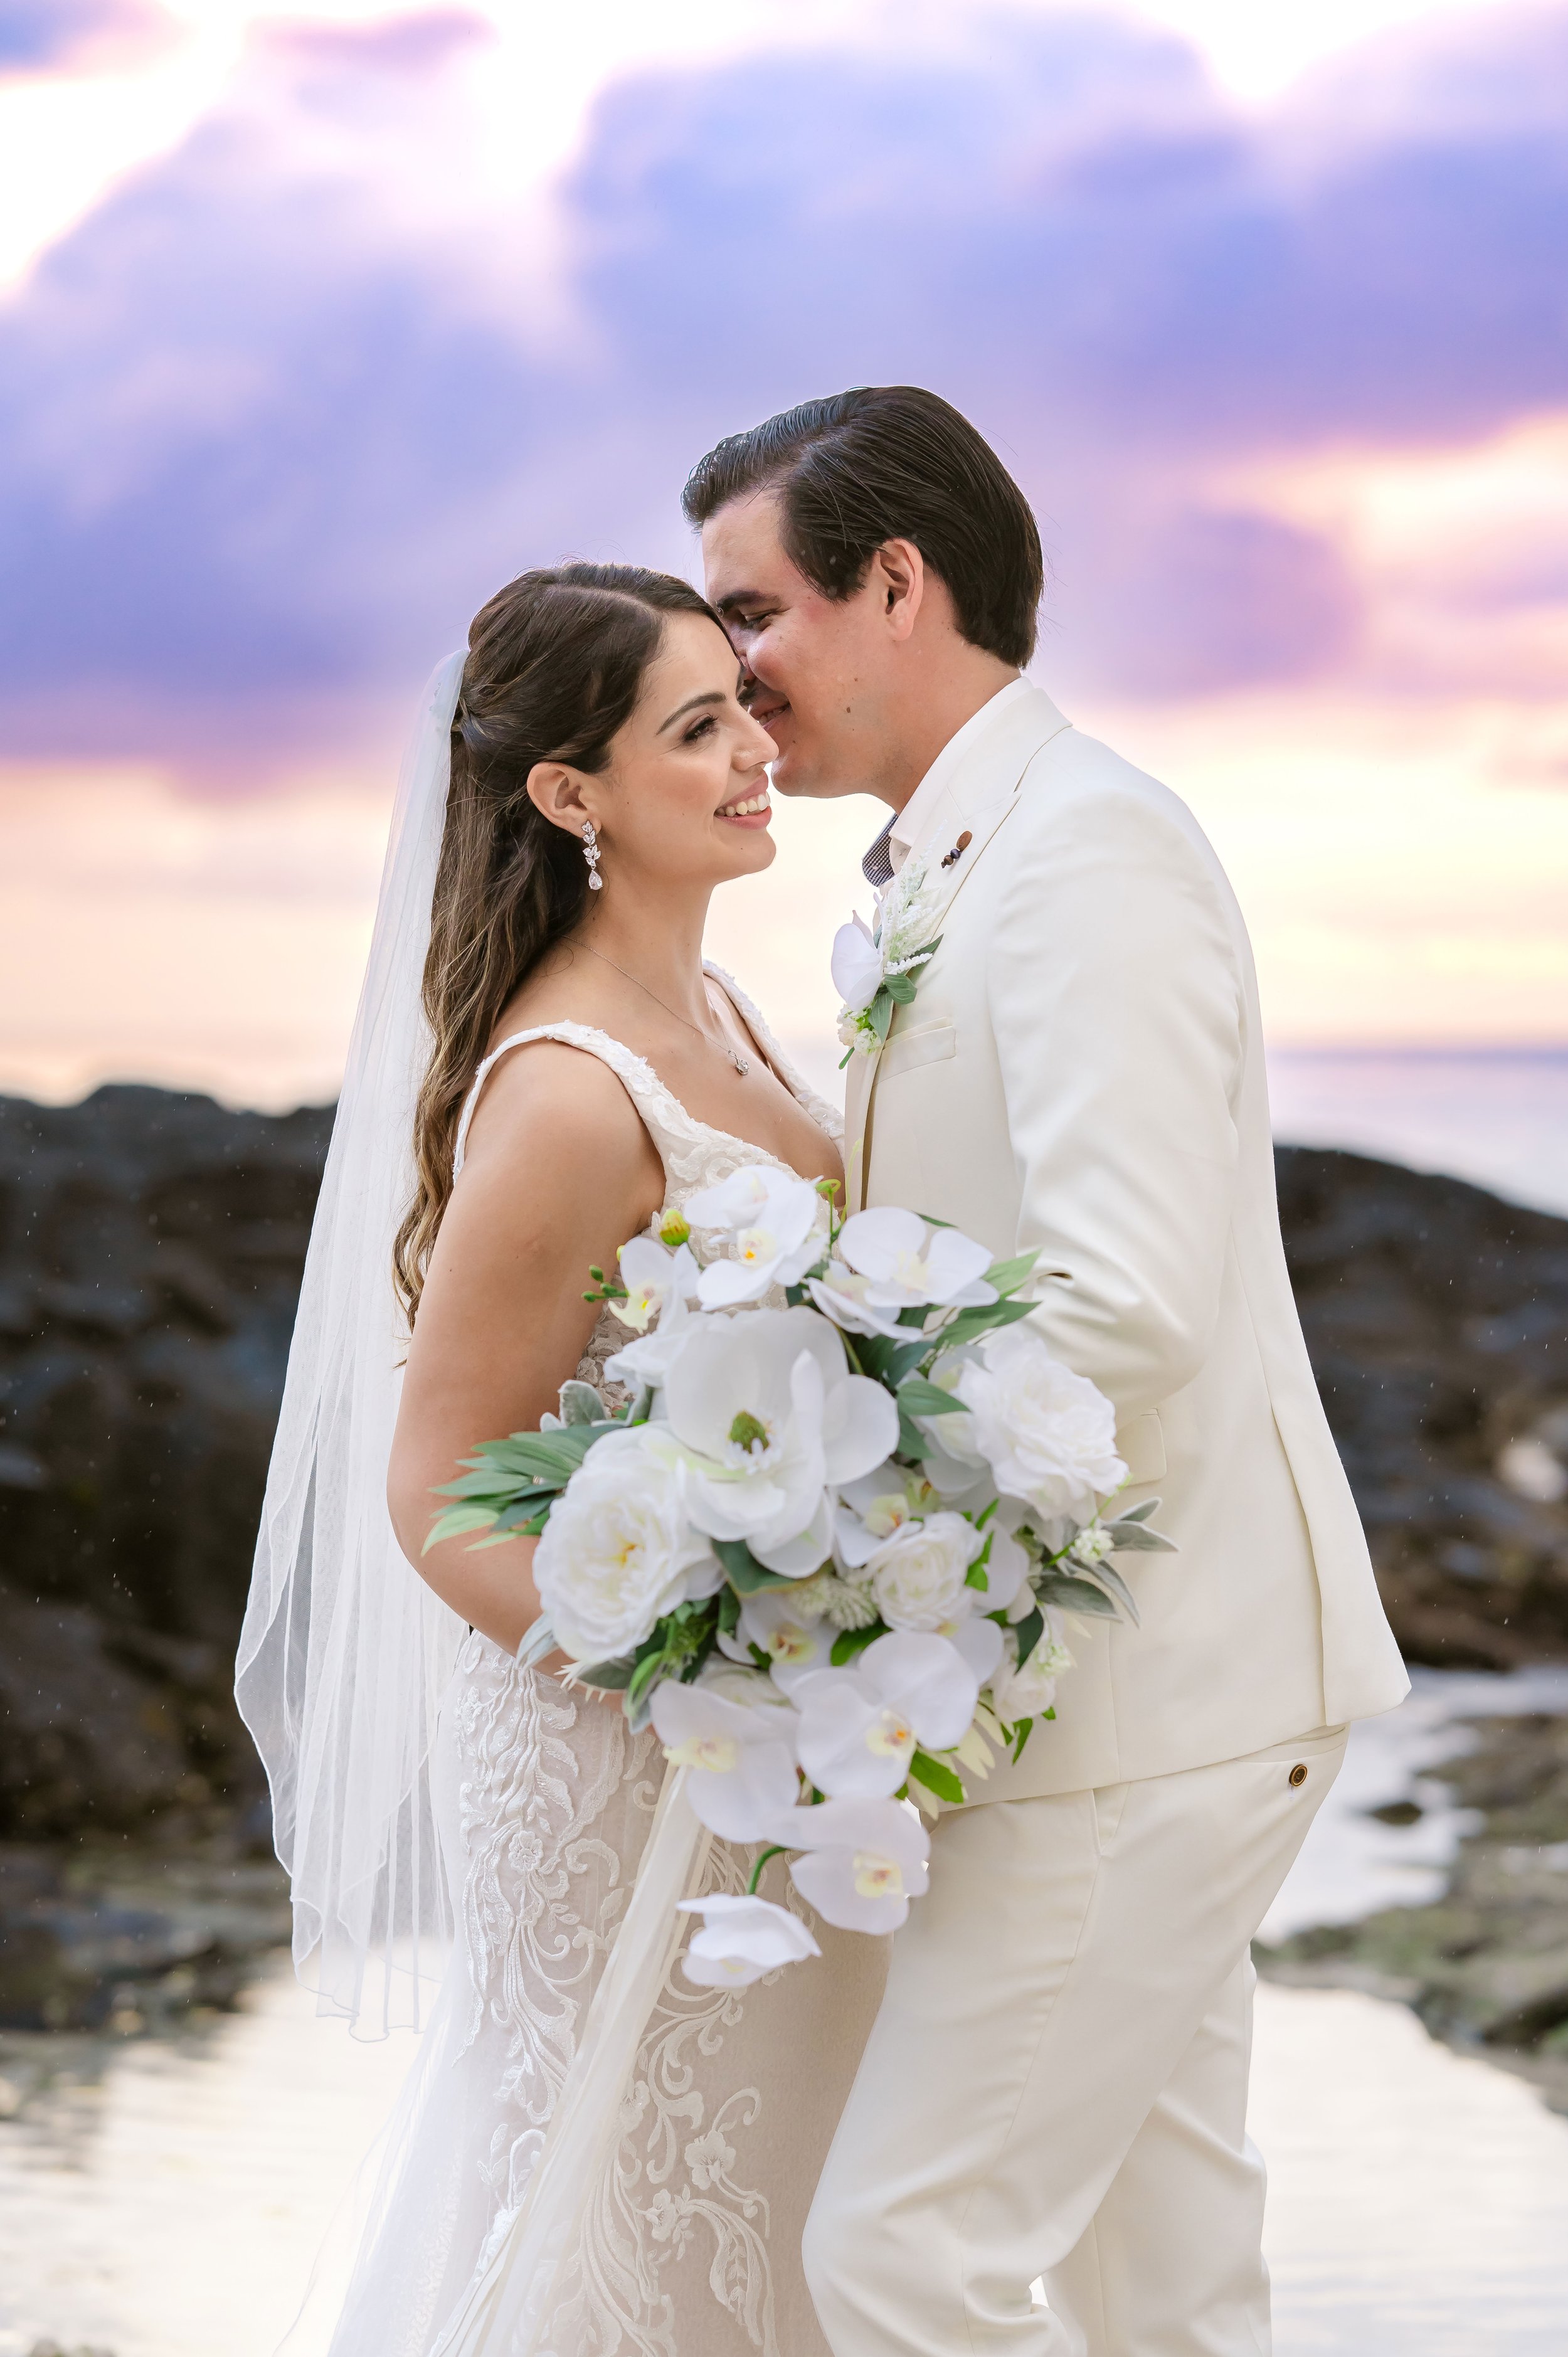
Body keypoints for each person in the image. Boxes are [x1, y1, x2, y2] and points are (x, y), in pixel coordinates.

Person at [686, 386, 1410, 2357]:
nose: (732, 675)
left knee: (899, 2259)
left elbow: (1125, 1299)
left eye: (752, 611)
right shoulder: (959, 863)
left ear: (894, 583)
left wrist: (804, 1493)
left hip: (1155, 1693)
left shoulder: (1087, 855)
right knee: (1155, 2287)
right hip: (1101, 1691)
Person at [238, 563, 886, 2357]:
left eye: (745, 706)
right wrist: (689, 1678)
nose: (757, 751)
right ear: (568, 793)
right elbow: (439, 1486)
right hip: (619, 1744)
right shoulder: (568, 1094)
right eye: (697, 727)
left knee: (775, 2194)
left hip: (758, 1735)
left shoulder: (735, 1020)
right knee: (627, 2202)